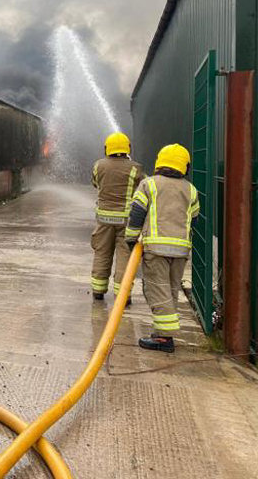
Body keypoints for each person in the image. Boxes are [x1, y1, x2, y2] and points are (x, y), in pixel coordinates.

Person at [125, 144, 199, 353]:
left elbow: (137, 213)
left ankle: (164, 339)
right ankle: (161, 332)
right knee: (171, 290)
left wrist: (131, 239)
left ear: (159, 162)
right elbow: (194, 217)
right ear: (185, 166)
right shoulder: (190, 189)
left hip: (156, 249)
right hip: (181, 250)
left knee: (156, 290)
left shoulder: (149, 184)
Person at [90, 132, 144, 302]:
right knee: (124, 256)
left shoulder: (98, 165)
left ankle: (98, 291)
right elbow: (143, 188)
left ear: (107, 148)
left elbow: (95, 183)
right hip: (126, 221)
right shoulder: (135, 168)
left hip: (103, 220)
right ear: (128, 148)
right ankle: (123, 295)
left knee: (102, 253)